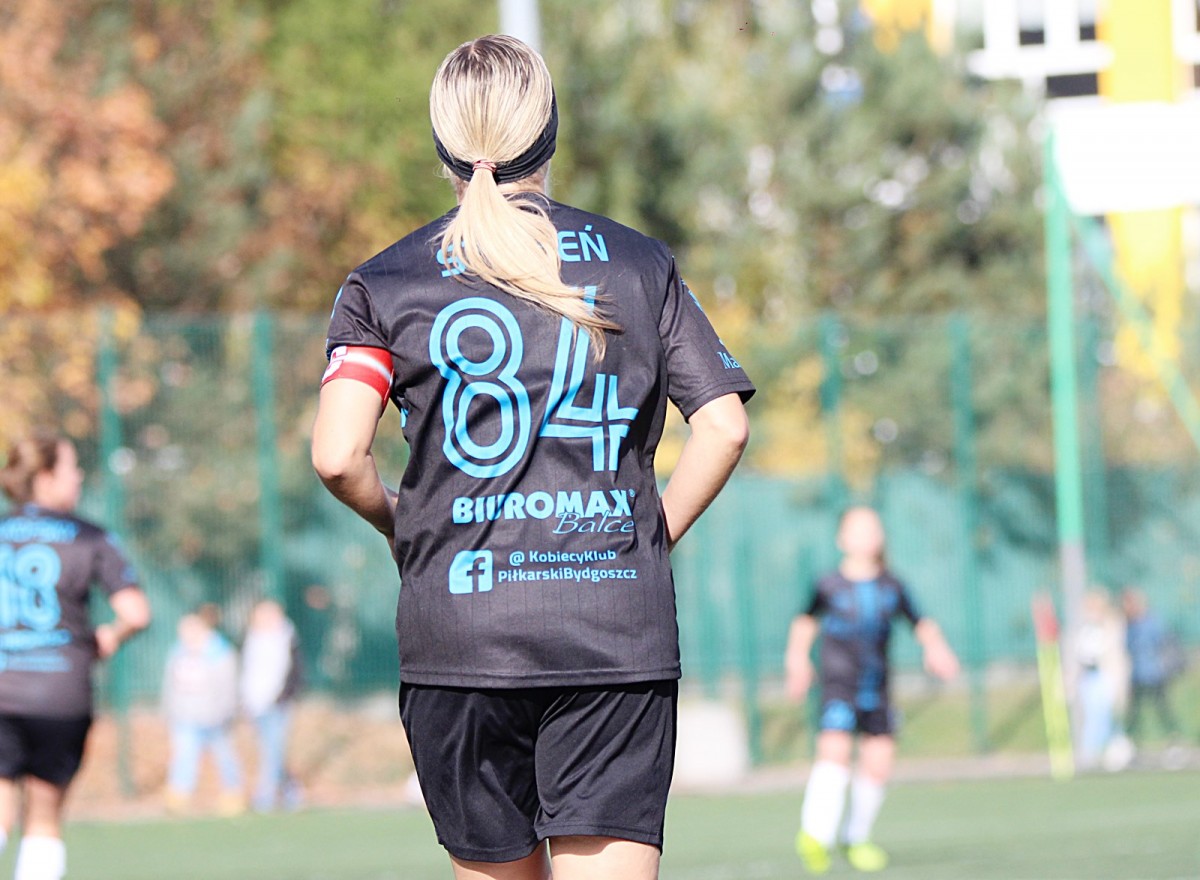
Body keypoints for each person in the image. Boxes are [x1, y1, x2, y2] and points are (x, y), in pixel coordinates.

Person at [311, 34, 754, 880]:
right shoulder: (640, 262)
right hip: (610, 632)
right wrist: (646, 536)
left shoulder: (385, 281)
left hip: (460, 633)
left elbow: (338, 455)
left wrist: (405, 529)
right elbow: (723, 427)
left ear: (443, 144)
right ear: (549, 132)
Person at [0, 431, 150, 880]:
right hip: (60, 693)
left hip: (3, 687)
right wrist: (108, 638)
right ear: (45, 477)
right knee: (44, 816)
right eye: (71, 468)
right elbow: (136, 613)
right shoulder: (89, 536)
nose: (79, 477)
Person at [784, 506, 959, 874]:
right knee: (834, 752)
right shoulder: (828, 585)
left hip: (876, 688)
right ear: (842, 539)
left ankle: (856, 838)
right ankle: (815, 835)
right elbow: (805, 621)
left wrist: (936, 648)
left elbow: (920, 622)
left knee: (879, 761)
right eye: (858, 529)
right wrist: (797, 660)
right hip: (838, 686)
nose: (866, 536)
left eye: (872, 529)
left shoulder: (891, 585)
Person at [161, 612, 243, 815]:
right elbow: (169, 686)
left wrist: (225, 711)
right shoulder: (178, 652)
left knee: (224, 756)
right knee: (184, 756)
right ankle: (178, 797)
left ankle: (233, 794)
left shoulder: (220, 652)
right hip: (186, 716)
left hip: (216, 718)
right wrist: (169, 710)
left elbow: (228, 686)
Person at [240, 599, 303, 812]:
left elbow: (295, 671)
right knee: (270, 751)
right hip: (256, 704)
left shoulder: (287, 638)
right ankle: (292, 790)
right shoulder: (252, 639)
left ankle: (265, 796)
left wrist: (283, 696)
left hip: (278, 704)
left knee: (273, 750)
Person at [1074, 589, 1130, 770]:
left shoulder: (1111, 625)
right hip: (1088, 676)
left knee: (1106, 713)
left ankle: (1111, 751)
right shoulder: (1083, 628)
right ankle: (1090, 754)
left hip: (1105, 676)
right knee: (1092, 715)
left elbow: (1113, 652)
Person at [1121, 587, 1180, 745]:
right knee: (1134, 712)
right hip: (1138, 675)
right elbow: (1127, 648)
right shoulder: (1130, 625)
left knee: (1162, 708)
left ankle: (1173, 738)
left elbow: (1163, 643)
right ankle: (1130, 740)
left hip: (1154, 673)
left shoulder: (1152, 623)